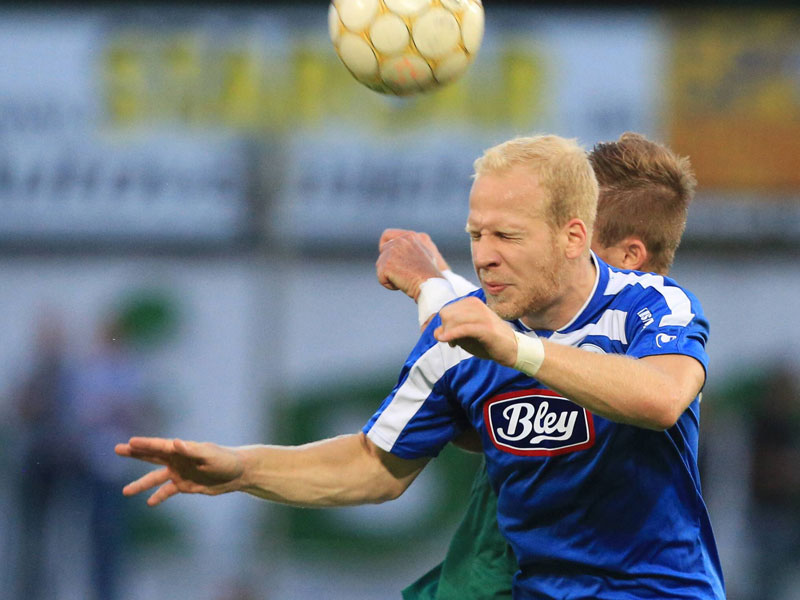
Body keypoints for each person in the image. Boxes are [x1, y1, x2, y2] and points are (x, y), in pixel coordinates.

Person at [116, 134, 724, 599]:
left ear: (572, 236)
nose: (484, 256)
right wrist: (243, 468)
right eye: (476, 234)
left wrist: (513, 349)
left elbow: (661, 399)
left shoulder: (650, 305)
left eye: (507, 237)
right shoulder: (457, 339)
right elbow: (375, 466)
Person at [374, 131, 700, 599]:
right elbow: (482, 402)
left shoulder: (646, 347)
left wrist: (435, 287)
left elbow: (502, 392)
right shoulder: (552, 328)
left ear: (628, 255)